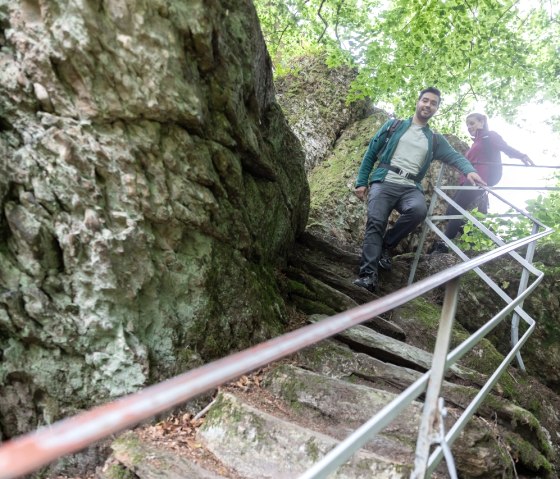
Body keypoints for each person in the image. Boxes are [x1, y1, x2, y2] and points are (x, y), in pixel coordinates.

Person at [353, 87, 486, 293]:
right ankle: (368, 275)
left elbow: (456, 157)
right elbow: (371, 152)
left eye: (433, 103)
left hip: (409, 187)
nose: (428, 105)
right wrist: (362, 182)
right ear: (418, 102)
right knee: (376, 222)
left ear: (436, 109)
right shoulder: (394, 126)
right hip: (384, 181)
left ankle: (386, 245)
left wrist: (469, 171)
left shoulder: (434, 139)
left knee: (418, 211)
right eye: (425, 100)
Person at [431, 112, 534, 254]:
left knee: (455, 210)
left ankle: (443, 244)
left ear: (482, 122)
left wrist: (521, 155)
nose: (469, 127)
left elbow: (505, 148)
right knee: (451, 211)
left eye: (472, 123)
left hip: (480, 179)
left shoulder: (489, 136)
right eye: (467, 124)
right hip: (467, 181)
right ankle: (473, 239)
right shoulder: (476, 142)